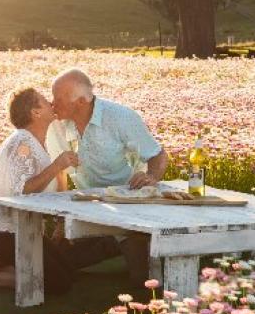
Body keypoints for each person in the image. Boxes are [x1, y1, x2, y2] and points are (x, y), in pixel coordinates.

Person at [0, 87, 113, 294]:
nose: (51, 103)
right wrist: (57, 165)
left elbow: (55, 182)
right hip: (3, 233)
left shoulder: (38, 140)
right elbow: (20, 192)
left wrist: (59, 222)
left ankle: (16, 266)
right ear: (35, 112)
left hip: (27, 228)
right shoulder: (21, 143)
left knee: (69, 273)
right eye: (44, 101)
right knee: (58, 284)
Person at [47, 68, 169, 287]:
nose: (52, 104)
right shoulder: (57, 123)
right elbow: (60, 173)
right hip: (88, 205)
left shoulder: (121, 117)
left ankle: (126, 241)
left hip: (127, 205)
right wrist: (60, 221)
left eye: (58, 99)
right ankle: (111, 242)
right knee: (54, 261)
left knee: (142, 281)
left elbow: (157, 154)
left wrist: (151, 177)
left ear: (82, 101)